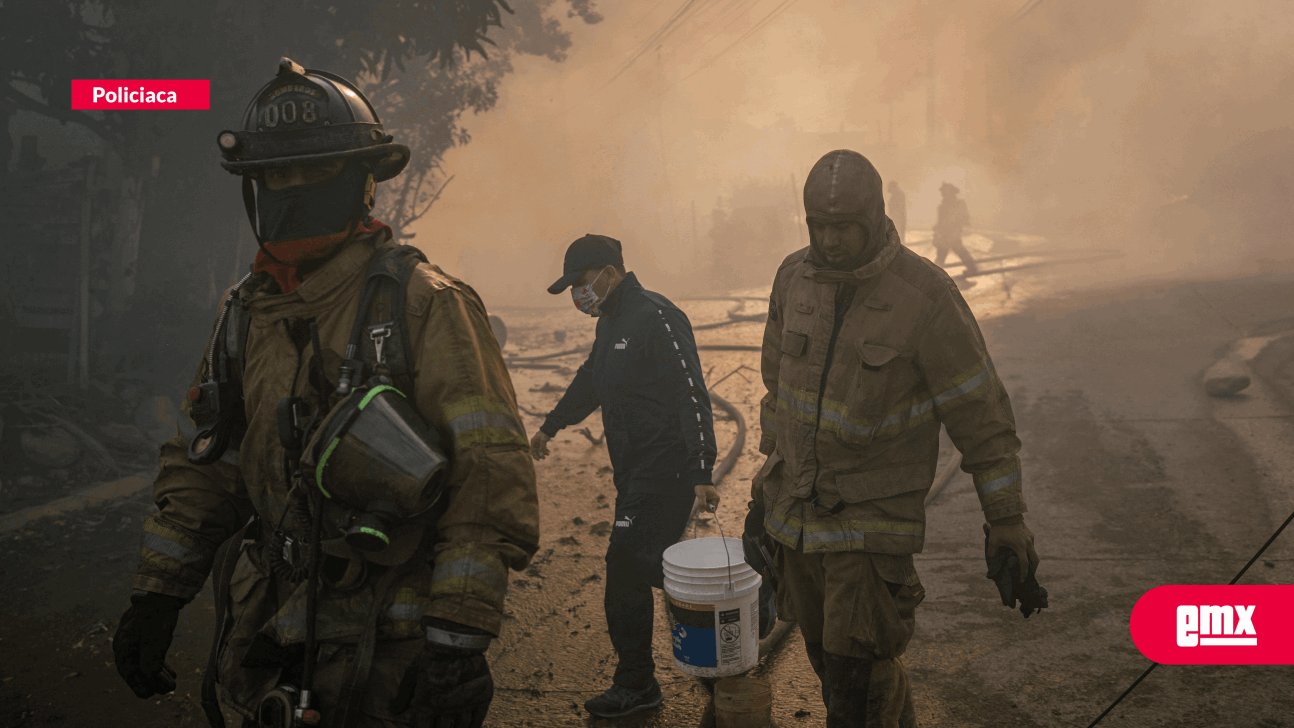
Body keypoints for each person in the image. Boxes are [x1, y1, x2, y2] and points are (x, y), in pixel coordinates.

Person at [111, 58, 538, 728]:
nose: (295, 187)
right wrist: (157, 595)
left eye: (317, 170)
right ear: (254, 188)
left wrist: (457, 641)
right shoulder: (246, 316)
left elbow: (488, 481)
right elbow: (209, 462)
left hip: (390, 653)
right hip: (266, 639)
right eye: (278, 173)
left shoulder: (425, 307)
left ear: (363, 183)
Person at [745, 150, 1040, 727]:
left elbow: (982, 416)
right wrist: (764, 490)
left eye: (843, 227)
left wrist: (1005, 518)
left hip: (869, 530)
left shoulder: (925, 297)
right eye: (818, 227)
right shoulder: (792, 279)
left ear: (876, 216)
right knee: (830, 669)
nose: (828, 241)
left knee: (858, 688)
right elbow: (778, 391)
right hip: (798, 521)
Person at [530, 234, 720, 719]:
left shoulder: (657, 316)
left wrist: (701, 466)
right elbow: (589, 382)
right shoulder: (610, 323)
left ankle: (636, 684)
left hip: (668, 469)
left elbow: (690, 391)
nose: (577, 295)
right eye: (571, 288)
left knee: (625, 565)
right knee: (650, 566)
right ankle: (734, 613)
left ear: (609, 273)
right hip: (633, 474)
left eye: (580, 283)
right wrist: (550, 427)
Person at [932, 181, 978, 275]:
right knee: (949, 252)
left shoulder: (957, 204)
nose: (943, 194)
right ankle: (972, 268)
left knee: (949, 252)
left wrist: (954, 225)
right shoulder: (944, 205)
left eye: (945, 192)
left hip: (952, 233)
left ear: (951, 193)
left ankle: (935, 274)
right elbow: (942, 220)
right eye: (943, 192)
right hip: (946, 234)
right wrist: (937, 227)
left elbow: (963, 217)